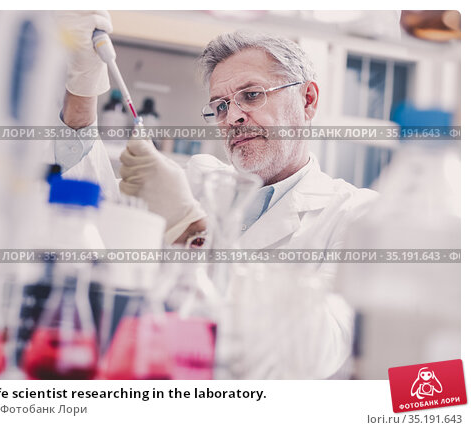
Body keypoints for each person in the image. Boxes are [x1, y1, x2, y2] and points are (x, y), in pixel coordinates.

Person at [54, 11, 378, 378]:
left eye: (251, 96)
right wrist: (82, 85)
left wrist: (192, 229)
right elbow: (98, 227)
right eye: (221, 106)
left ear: (308, 101)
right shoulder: (198, 179)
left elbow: (318, 347)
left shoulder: (358, 216)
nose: (233, 117)